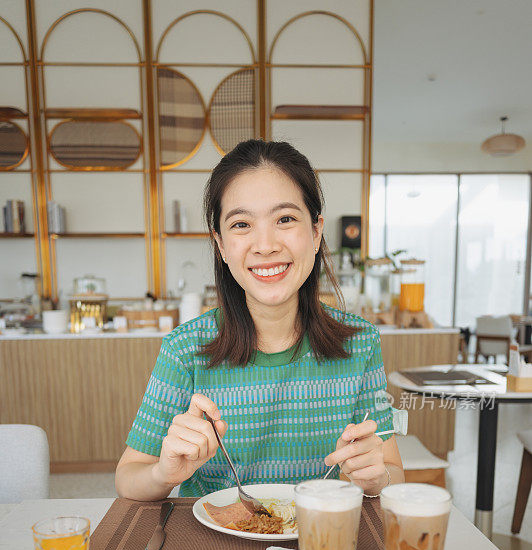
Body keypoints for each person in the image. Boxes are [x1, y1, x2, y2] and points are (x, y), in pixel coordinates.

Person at [115, 139, 404, 500]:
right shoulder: (185, 349)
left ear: (315, 233)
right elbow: (128, 476)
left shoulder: (360, 343)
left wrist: (378, 478)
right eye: (241, 224)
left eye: (285, 219)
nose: (265, 245)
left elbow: (391, 469)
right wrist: (163, 473)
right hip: (214, 549)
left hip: (317, 544)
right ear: (220, 245)